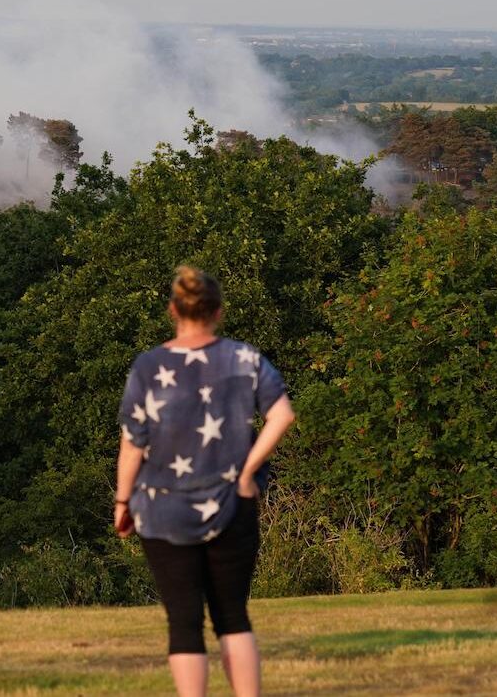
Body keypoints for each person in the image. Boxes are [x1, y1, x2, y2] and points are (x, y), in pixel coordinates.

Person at [113, 265, 296, 697]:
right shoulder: (245, 358)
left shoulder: (148, 366)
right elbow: (282, 415)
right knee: (232, 616)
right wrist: (248, 471)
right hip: (233, 502)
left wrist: (123, 502)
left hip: (162, 508)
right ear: (219, 311)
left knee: (183, 622)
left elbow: (132, 444)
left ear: (172, 310)